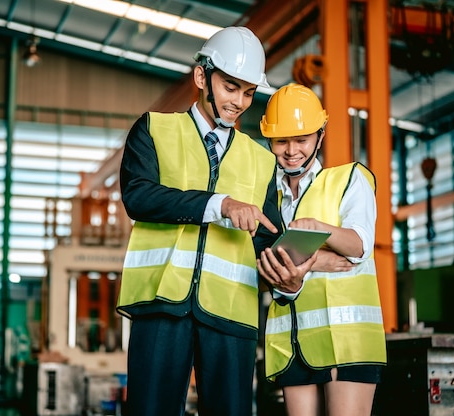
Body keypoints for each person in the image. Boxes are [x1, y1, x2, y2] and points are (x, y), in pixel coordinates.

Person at [116, 28, 314, 416]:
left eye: (247, 91)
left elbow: (265, 242)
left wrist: (288, 280)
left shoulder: (261, 161)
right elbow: (138, 196)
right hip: (161, 305)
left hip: (231, 314)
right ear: (202, 77)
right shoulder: (155, 130)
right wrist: (219, 204)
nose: (239, 102)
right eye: (230, 87)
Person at [257, 83, 387, 416]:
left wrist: (319, 230)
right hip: (292, 345)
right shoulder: (265, 198)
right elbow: (268, 265)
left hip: (347, 342)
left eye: (301, 139)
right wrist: (317, 260)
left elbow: (358, 246)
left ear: (321, 134)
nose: (291, 151)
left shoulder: (348, 180)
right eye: (281, 140)